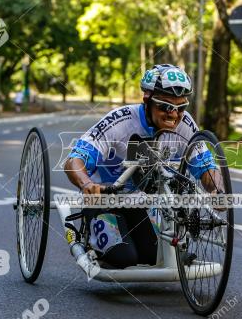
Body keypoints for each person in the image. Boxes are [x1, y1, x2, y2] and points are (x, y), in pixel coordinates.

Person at [64, 64, 220, 269]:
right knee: (123, 258)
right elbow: (74, 160)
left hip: (141, 205)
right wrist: (87, 184)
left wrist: (218, 190)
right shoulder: (121, 121)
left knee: (152, 256)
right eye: (165, 106)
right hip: (105, 199)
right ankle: (92, 235)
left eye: (181, 108)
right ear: (147, 100)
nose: (174, 114)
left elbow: (206, 166)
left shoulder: (186, 125)